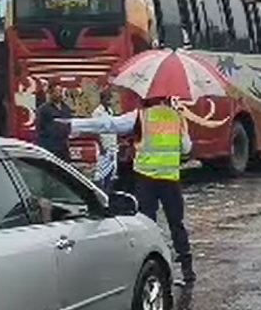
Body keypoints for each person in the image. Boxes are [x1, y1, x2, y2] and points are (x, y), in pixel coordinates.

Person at [63, 96, 196, 285]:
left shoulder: (140, 116)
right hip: (170, 180)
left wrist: (72, 125)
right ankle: (187, 270)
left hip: (146, 179)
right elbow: (186, 148)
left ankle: (151, 270)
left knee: (146, 225)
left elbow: (108, 125)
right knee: (176, 224)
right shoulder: (176, 117)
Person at [92, 89, 120, 191]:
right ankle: (99, 193)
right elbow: (95, 131)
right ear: (102, 99)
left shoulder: (110, 111)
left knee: (112, 172)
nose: (109, 101)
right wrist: (100, 146)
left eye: (110, 99)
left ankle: (108, 193)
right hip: (103, 147)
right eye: (107, 99)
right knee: (100, 173)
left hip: (112, 146)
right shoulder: (97, 113)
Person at [36, 83, 72, 162]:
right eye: (57, 91)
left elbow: (69, 123)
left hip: (63, 147)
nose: (59, 94)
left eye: (60, 91)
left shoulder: (66, 108)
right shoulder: (43, 109)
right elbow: (39, 128)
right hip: (50, 146)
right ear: (50, 93)